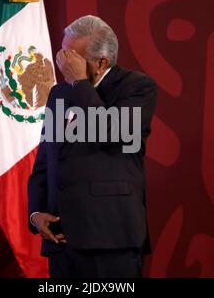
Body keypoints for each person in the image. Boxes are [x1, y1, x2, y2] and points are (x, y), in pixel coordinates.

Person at [28, 15, 158, 278]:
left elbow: (112, 132)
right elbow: (46, 160)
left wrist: (80, 83)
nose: (63, 62)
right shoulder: (58, 94)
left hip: (110, 240)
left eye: (72, 57)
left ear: (101, 63)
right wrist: (35, 213)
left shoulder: (137, 87)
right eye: (63, 52)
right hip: (61, 242)